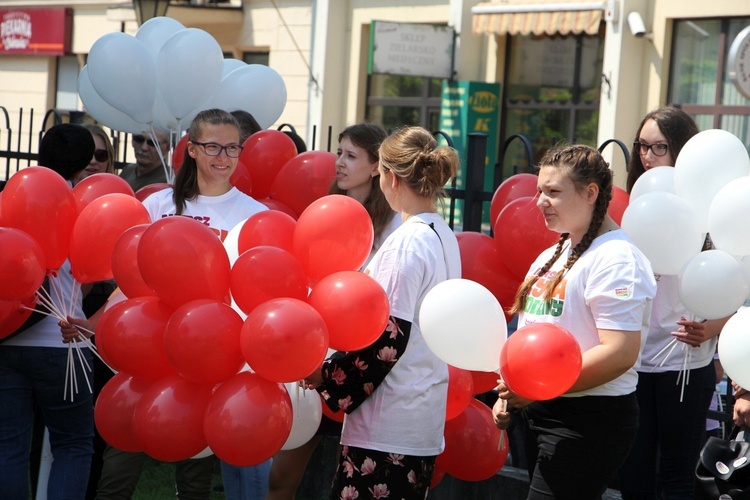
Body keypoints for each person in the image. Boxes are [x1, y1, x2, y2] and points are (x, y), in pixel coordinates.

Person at [63, 109, 269, 499]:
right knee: (118, 472)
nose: (223, 156)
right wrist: (93, 323)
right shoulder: (159, 205)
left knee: (194, 481)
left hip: (206, 357)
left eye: (232, 148)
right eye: (212, 146)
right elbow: (132, 281)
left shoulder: (254, 216)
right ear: (191, 149)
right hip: (147, 352)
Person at [304, 126, 461, 499]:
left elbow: (387, 339)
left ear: (389, 176)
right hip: (419, 413)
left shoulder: (404, 244)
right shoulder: (443, 233)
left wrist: (324, 375)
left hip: (388, 423)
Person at [491, 144, 657, 499]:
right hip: (542, 410)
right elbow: (531, 337)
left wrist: (536, 388)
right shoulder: (553, 252)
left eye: (553, 192)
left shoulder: (617, 259)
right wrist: (511, 393)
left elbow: (620, 352)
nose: (539, 201)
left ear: (590, 193)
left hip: (589, 421)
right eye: (540, 191)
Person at [266, 123, 400, 500]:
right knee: (281, 478)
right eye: (339, 153)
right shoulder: (323, 210)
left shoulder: (393, 226)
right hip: (314, 357)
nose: (338, 163)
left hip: (363, 365)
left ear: (377, 167)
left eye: (350, 156)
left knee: (353, 483)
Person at [618, 106, 731, 499]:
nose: (647, 156)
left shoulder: (710, 212)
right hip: (631, 359)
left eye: (659, 147)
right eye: (642, 146)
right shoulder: (634, 204)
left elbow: (733, 287)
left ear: (680, 150)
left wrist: (712, 330)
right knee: (633, 472)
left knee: (678, 475)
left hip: (685, 363)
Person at [0, 123, 96, 499]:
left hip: (8, 341)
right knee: (73, 445)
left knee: (8, 447)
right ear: (84, 162)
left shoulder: (9, 200)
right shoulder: (87, 206)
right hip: (64, 343)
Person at [118, 128, 170, 192]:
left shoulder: (170, 181)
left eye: (153, 143)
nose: (144, 148)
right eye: (139, 139)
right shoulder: (127, 170)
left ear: (166, 149)